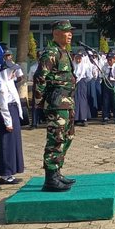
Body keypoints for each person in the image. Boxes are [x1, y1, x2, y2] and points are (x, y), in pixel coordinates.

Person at [32, 20, 76, 192]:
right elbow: (40, 78)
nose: (70, 34)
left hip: (67, 104)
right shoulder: (51, 52)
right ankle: (50, 178)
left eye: (71, 31)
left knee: (68, 137)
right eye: (66, 31)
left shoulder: (64, 52)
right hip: (56, 104)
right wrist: (39, 103)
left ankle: (57, 172)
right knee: (55, 139)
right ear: (56, 33)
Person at [0, 65, 25, 185]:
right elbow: (3, 106)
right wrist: (8, 122)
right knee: (6, 144)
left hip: (12, 111)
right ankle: (5, 175)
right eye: (12, 71)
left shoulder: (8, 81)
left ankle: (11, 172)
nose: (14, 74)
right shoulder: (1, 84)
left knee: (13, 144)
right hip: (7, 114)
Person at [72, 52, 92, 126]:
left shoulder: (85, 66)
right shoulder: (72, 65)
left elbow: (89, 76)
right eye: (77, 58)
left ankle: (84, 118)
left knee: (83, 100)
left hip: (82, 83)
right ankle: (76, 118)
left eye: (80, 58)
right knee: (75, 100)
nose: (78, 60)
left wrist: (83, 81)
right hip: (74, 84)